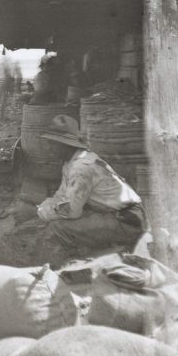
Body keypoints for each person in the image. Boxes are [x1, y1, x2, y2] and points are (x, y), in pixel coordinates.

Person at [29, 115, 146, 268]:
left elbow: (71, 211)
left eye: (52, 143)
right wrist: (45, 207)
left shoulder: (81, 167)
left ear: (65, 145)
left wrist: (43, 213)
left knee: (57, 229)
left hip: (127, 221)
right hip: (114, 213)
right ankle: (72, 262)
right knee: (55, 219)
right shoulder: (71, 162)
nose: (48, 148)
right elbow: (61, 195)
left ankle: (48, 278)